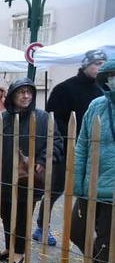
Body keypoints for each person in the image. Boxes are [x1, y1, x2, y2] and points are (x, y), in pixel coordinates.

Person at [33, 49, 108, 246]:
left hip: (93, 153)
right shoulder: (64, 88)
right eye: (97, 63)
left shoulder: (103, 92)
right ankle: (42, 226)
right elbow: (53, 119)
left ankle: (98, 235)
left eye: (103, 63)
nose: (100, 67)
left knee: (89, 191)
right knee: (55, 188)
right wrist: (66, 142)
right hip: (65, 150)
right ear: (85, 65)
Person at [0, 78, 63, 263]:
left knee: (22, 215)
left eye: (29, 92)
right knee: (6, 214)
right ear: (13, 95)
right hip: (4, 178)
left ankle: (19, 252)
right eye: (21, 92)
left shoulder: (43, 118)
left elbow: (55, 142)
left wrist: (42, 161)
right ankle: (10, 247)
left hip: (28, 179)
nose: (26, 96)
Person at [70, 59, 115, 263]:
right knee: (76, 231)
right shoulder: (97, 105)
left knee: (107, 240)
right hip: (91, 186)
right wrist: (78, 183)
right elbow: (81, 146)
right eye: (111, 75)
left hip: (112, 192)